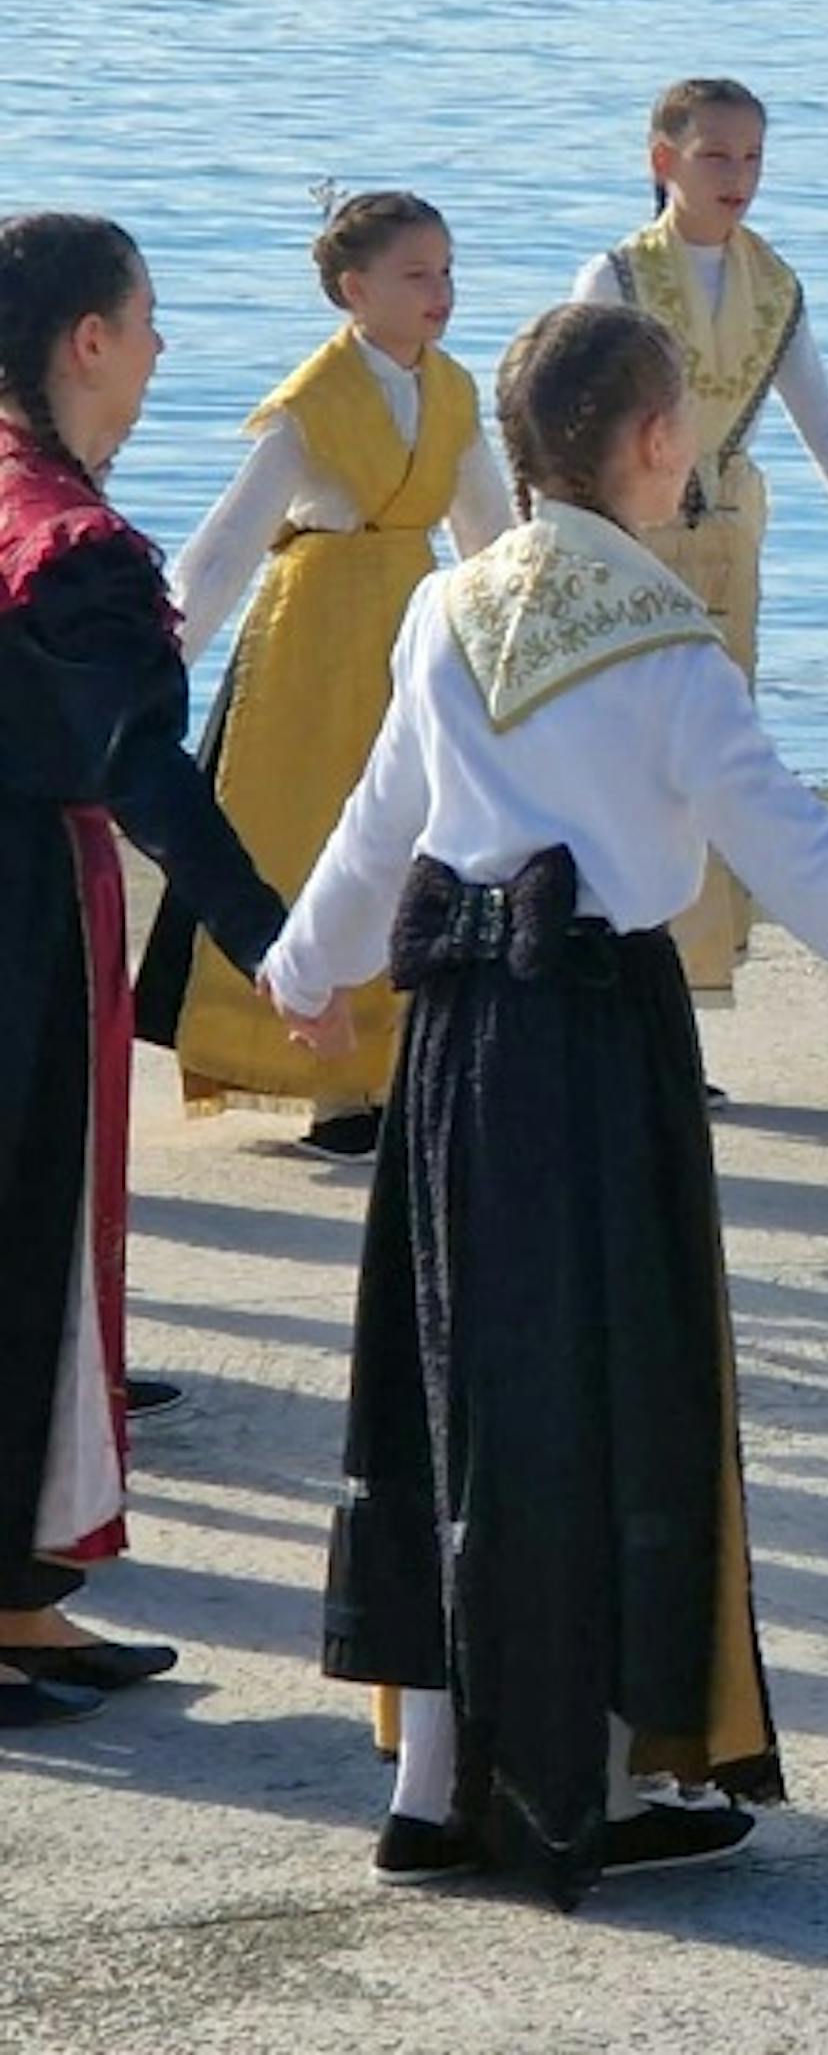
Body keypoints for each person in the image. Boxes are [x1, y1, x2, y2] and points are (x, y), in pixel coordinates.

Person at [262, 303, 828, 1907]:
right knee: (608, 1389)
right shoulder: (667, 643)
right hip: (600, 1046)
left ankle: (430, 1783)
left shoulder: (445, 605)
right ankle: (606, 1777)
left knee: (456, 1381)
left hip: (455, 1044)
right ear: (654, 444)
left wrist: (305, 962)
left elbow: (380, 820)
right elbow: (808, 862)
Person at [0, 214, 290, 1732]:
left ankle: (19, 1592)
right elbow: (143, 767)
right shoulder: (71, 546)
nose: (164, 347)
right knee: (26, 1229)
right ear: (88, 339)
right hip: (25, 910)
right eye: (149, 318)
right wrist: (271, 937)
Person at [137, 191, 505, 1162]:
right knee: (309, 833)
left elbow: (489, 534)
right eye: (415, 274)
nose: (440, 291)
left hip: (413, 623)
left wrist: (523, 641)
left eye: (446, 271)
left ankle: (401, 1062)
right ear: (355, 289)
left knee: (418, 834)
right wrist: (155, 664)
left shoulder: (454, 393)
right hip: (312, 636)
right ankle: (330, 1085)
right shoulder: (312, 403)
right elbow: (227, 547)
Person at [570, 77, 828, 1002]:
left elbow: (825, 426)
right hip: (627, 538)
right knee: (620, 760)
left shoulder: (774, 286)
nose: (737, 175)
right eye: (716, 155)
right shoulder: (616, 277)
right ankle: (608, 980)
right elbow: (567, 420)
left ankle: (685, 993)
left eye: (753, 157)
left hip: (728, 541)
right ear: (664, 161)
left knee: (710, 763)